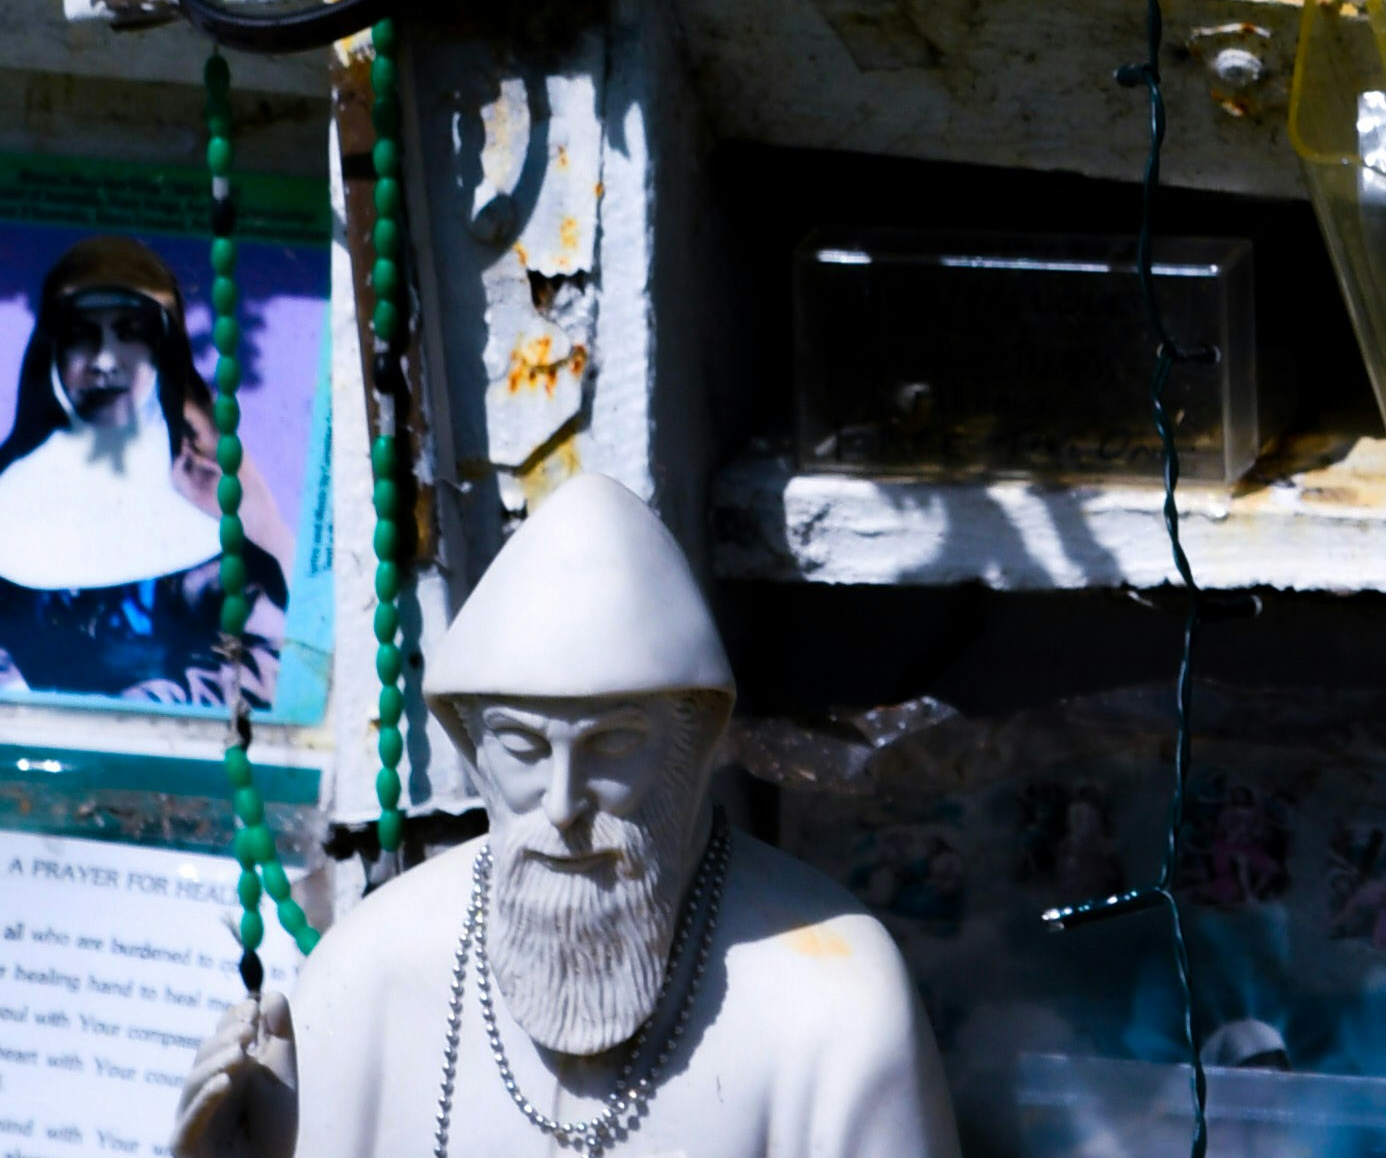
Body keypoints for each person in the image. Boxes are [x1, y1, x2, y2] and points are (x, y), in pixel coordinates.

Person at [174, 474, 953, 1158]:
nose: (563, 799)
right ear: (471, 743)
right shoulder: (366, 974)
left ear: (698, 740)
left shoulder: (833, 998)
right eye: (521, 746)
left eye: (614, 744)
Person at [0, 231, 283, 702]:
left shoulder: (211, 497)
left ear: (162, 353)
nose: (105, 362)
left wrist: (137, 713)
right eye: (82, 338)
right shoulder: (9, 492)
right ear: (51, 351)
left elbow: (262, 660)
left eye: (130, 336)